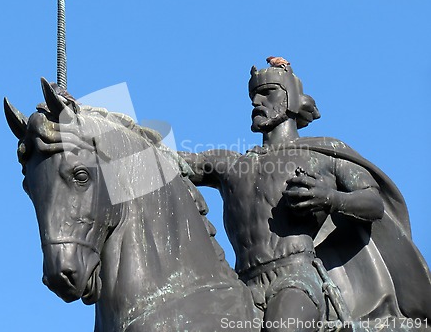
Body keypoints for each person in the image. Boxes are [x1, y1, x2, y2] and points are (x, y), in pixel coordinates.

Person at [178, 60, 431, 330]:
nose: (256, 102)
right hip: (240, 283)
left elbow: (373, 202)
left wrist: (331, 198)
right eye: (253, 96)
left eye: (267, 93)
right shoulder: (230, 164)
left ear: (291, 100)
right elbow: (174, 164)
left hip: (295, 279)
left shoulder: (321, 154)